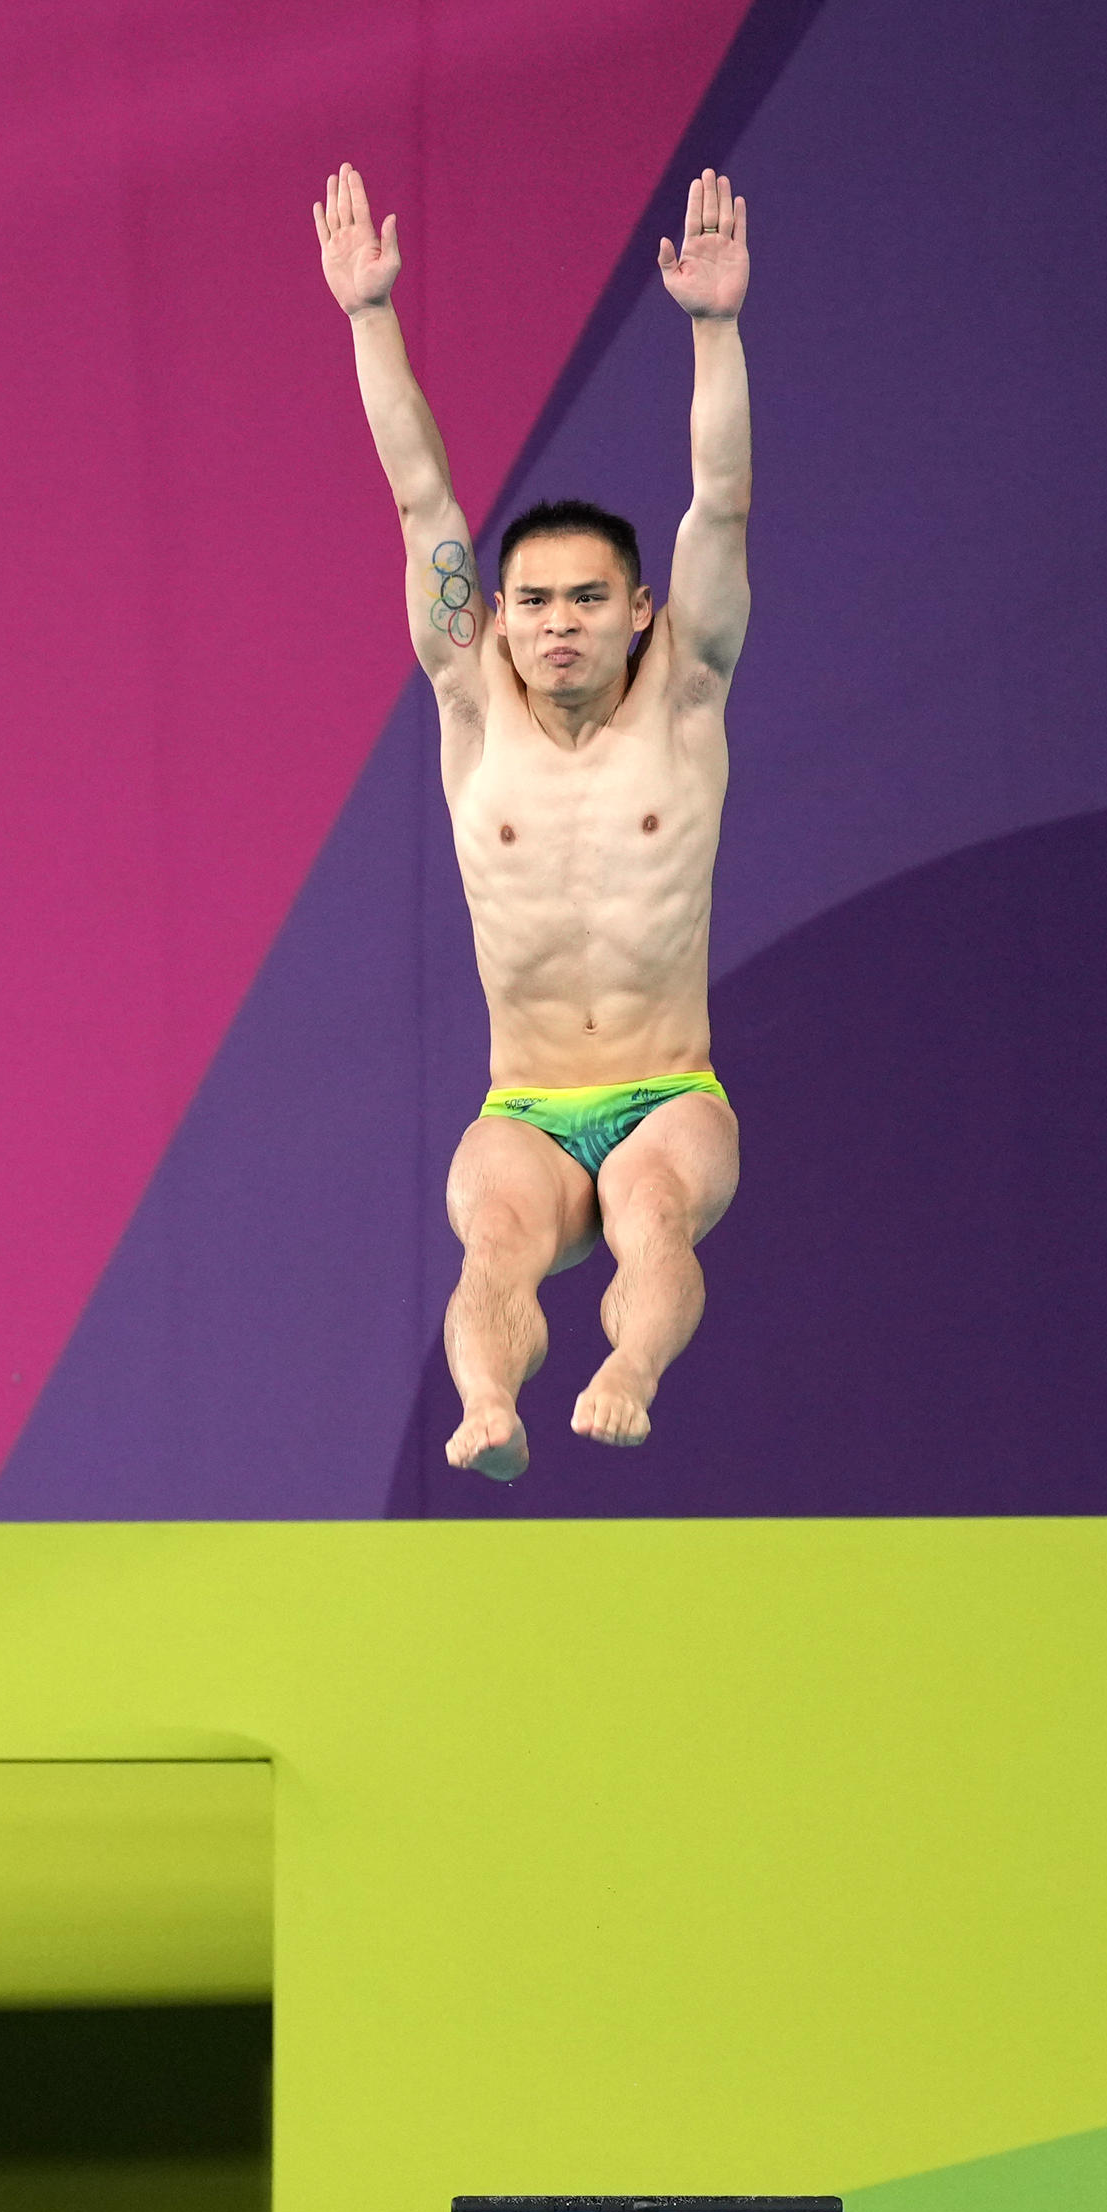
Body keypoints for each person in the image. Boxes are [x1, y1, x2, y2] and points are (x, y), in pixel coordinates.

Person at [316, 162, 754, 1477]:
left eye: (586, 599)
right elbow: (419, 501)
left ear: (640, 612)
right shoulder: (473, 701)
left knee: (650, 1209)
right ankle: (491, 1409)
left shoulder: (688, 694)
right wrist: (367, 314)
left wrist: (716, 329)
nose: (558, 621)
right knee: (498, 1240)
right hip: (525, 1096)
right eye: (536, 601)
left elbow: (719, 505)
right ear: (499, 615)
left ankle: (629, 1365)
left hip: (669, 1088)